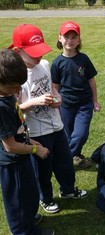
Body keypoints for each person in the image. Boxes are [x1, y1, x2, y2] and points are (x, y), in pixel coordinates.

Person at [9, 23, 88, 214]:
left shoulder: (44, 64)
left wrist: (57, 98)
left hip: (57, 125)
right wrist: (35, 102)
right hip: (37, 131)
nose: (39, 56)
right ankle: (45, 198)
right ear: (19, 51)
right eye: (33, 53)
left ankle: (68, 190)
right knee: (43, 169)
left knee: (65, 162)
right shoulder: (16, 76)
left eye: (40, 51)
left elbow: (52, 88)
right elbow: (14, 109)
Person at [0, 49, 54, 235]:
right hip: (12, 163)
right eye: (14, 87)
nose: (18, 91)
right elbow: (10, 145)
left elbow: (17, 129)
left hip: (22, 154)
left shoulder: (8, 95)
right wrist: (34, 150)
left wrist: (30, 141)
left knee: (30, 193)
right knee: (18, 199)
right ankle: (24, 230)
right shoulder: (1, 108)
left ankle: (28, 218)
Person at [51, 20, 101, 169]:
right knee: (68, 135)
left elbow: (91, 80)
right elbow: (55, 86)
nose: (70, 40)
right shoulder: (57, 63)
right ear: (60, 38)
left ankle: (62, 161)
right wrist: (55, 104)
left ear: (79, 40)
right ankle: (77, 156)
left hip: (84, 104)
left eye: (74, 37)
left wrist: (95, 101)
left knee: (80, 134)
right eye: (66, 37)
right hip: (65, 105)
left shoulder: (83, 59)